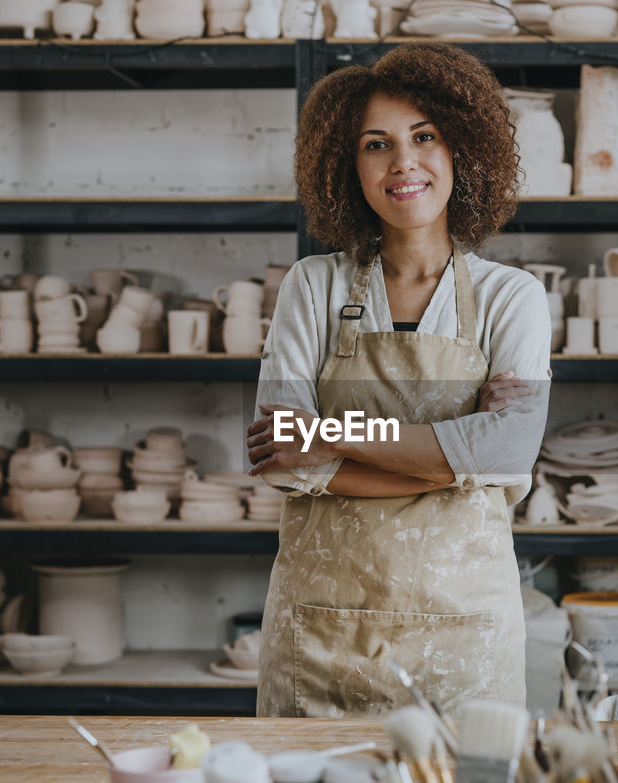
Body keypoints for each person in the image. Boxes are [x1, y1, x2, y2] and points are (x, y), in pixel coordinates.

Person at [245, 43, 552, 717]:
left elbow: (506, 451)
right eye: (376, 144)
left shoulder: (513, 297)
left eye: (424, 137)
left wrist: (331, 435)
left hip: (463, 643)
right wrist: (453, 461)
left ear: (462, 149)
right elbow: (282, 464)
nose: (403, 163)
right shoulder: (312, 287)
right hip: (320, 638)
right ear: (346, 165)